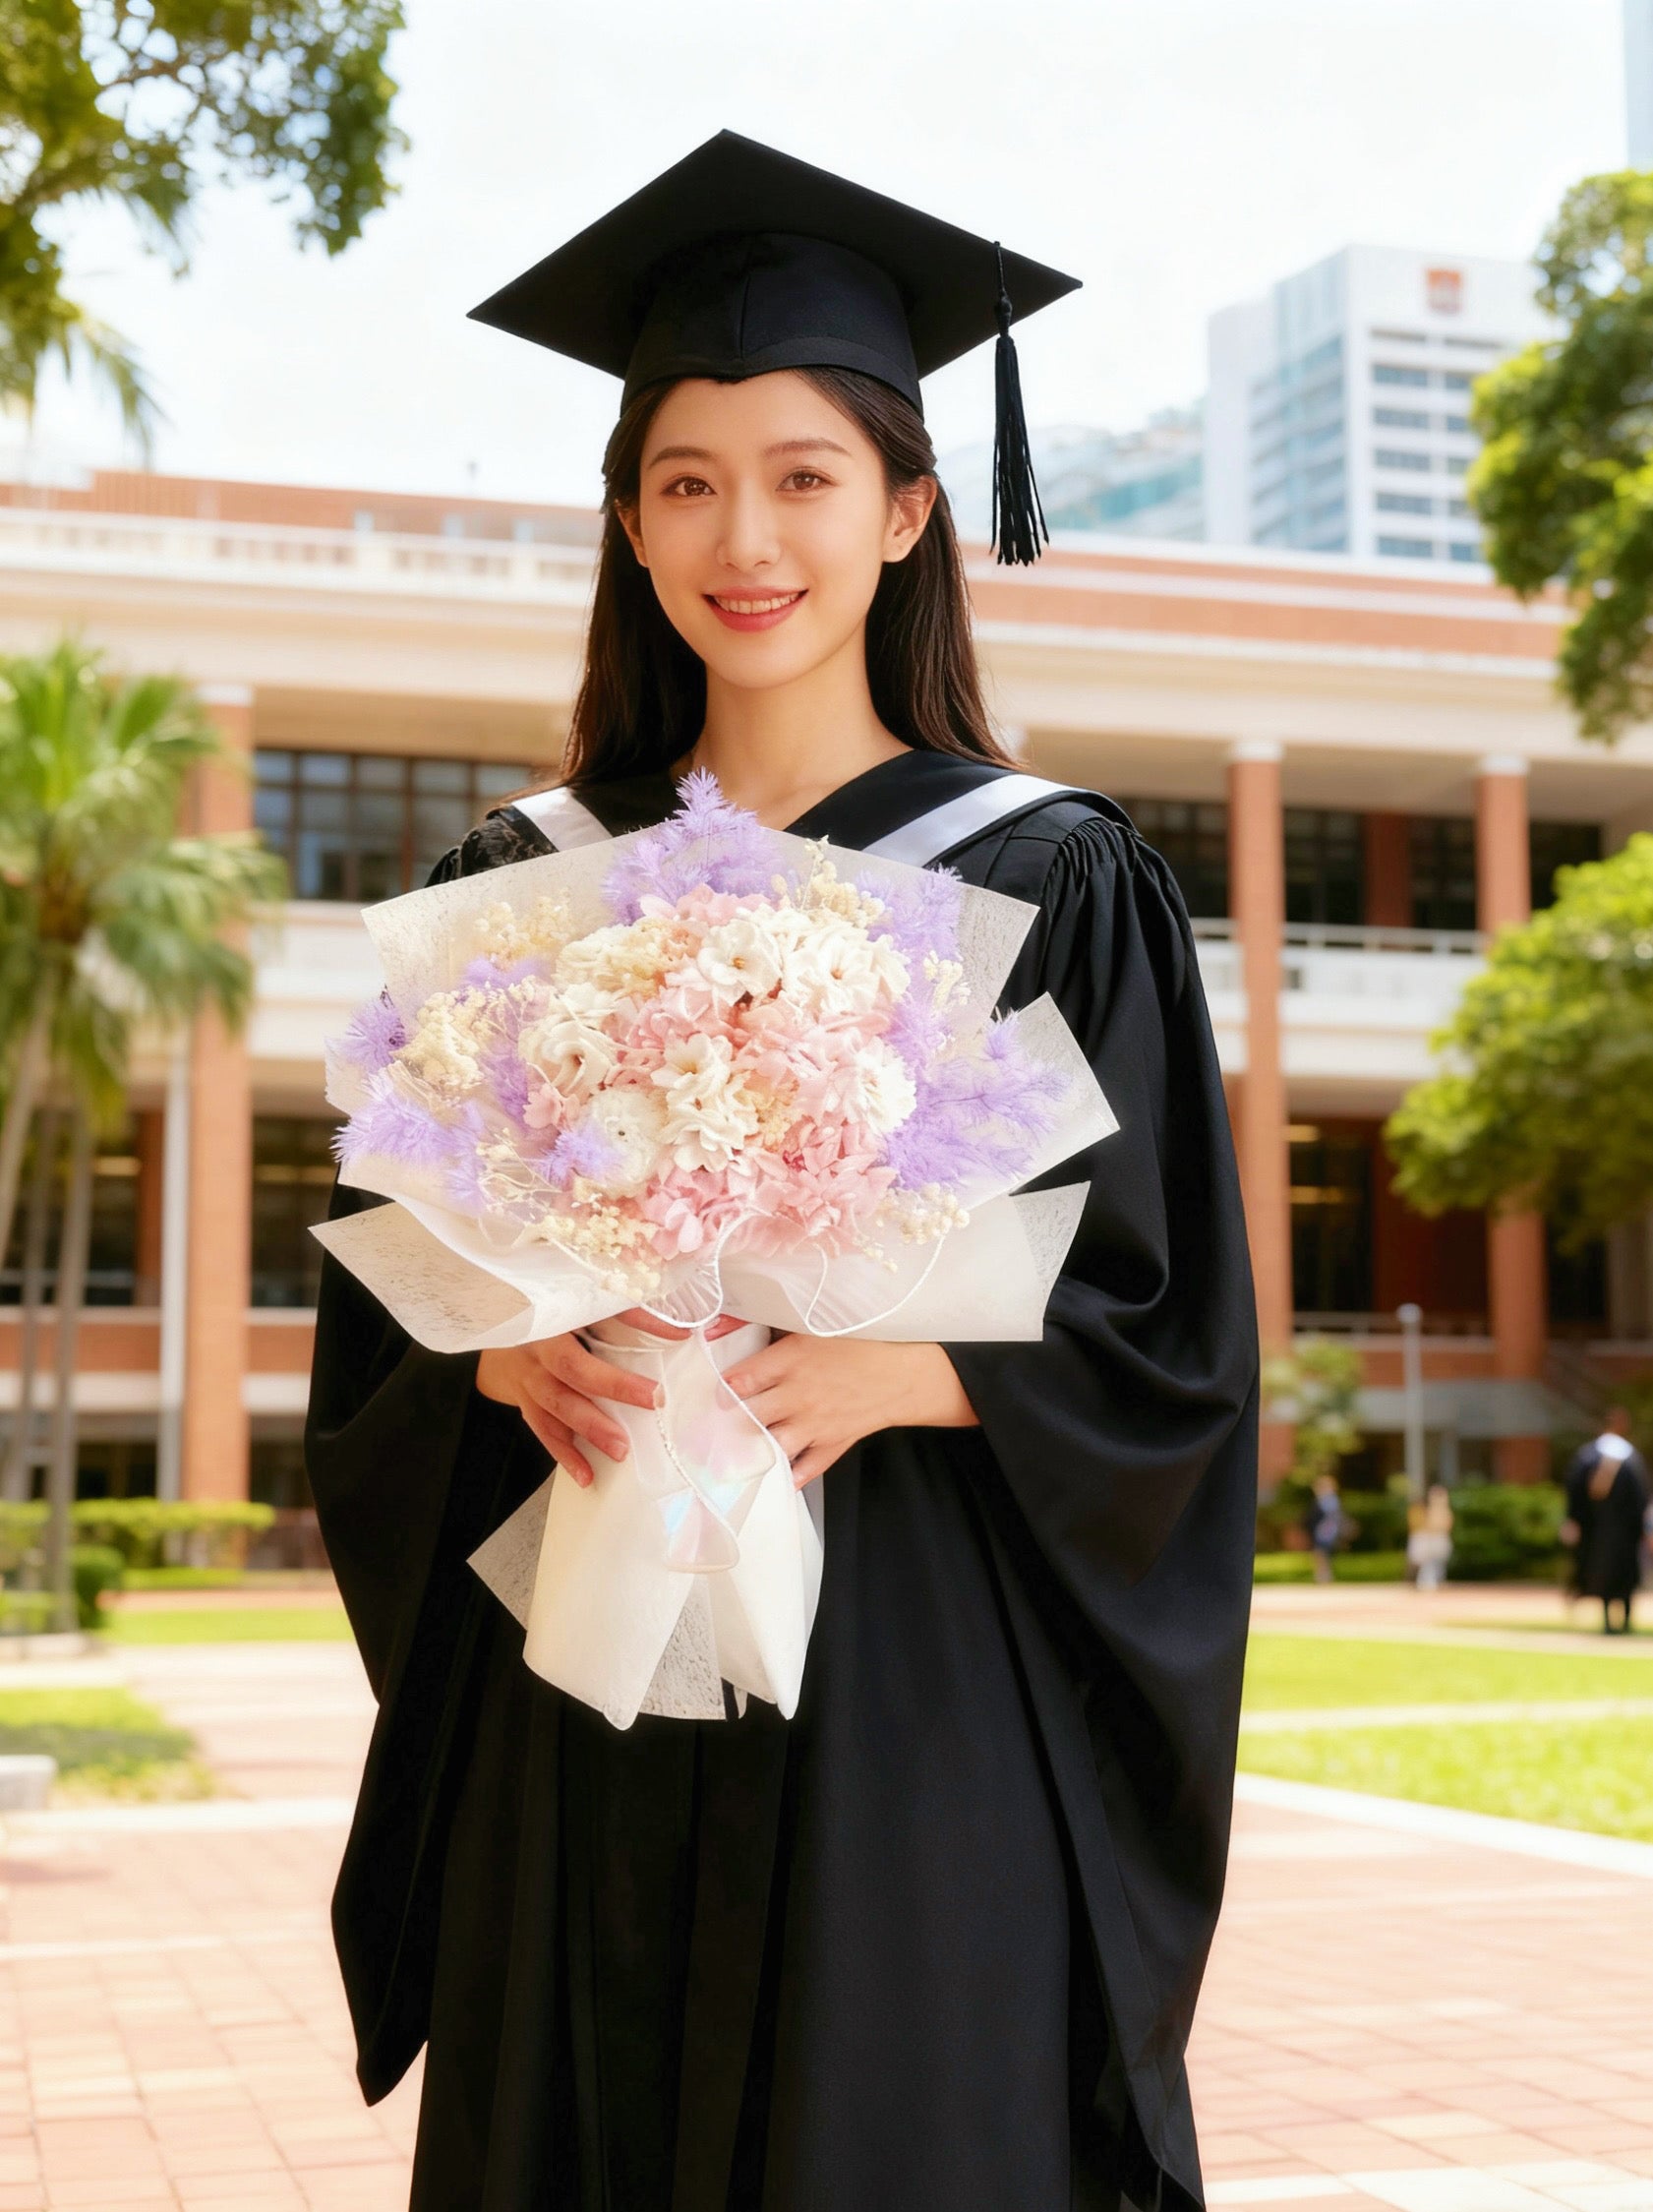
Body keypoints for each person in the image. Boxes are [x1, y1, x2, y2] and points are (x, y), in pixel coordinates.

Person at [305, 132, 1259, 2212]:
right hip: (597, 1662)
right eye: (687, 477)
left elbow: (1169, 1324)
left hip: (905, 1677)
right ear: (631, 523)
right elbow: (382, 1307)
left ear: (909, 510)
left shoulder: (1050, 870)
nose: (748, 533)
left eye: (806, 473)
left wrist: (922, 1370)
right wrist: (493, 1364)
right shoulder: (520, 886)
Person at [1562, 1407, 1650, 1635]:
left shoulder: (1589, 1456)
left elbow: (1575, 1493)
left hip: (1599, 1531)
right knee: (1624, 1574)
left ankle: (1610, 1622)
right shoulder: (1630, 1458)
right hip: (1622, 1532)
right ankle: (1624, 1621)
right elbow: (1640, 1497)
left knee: (1605, 1573)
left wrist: (1573, 1521)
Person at [1406, 1482, 1454, 1592]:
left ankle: (1434, 1581)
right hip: (1429, 1539)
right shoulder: (1423, 1510)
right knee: (1428, 1563)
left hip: (1438, 1538)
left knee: (1435, 1563)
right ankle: (1428, 1582)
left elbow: (1446, 1525)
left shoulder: (1442, 1509)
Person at [1305, 1471, 1347, 1584]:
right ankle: (1324, 1575)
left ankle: (1324, 1576)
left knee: (1321, 1554)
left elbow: (1331, 1517)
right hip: (1324, 1532)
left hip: (1325, 1532)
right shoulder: (1326, 1501)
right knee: (1321, 1555)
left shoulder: (1328, 1501)